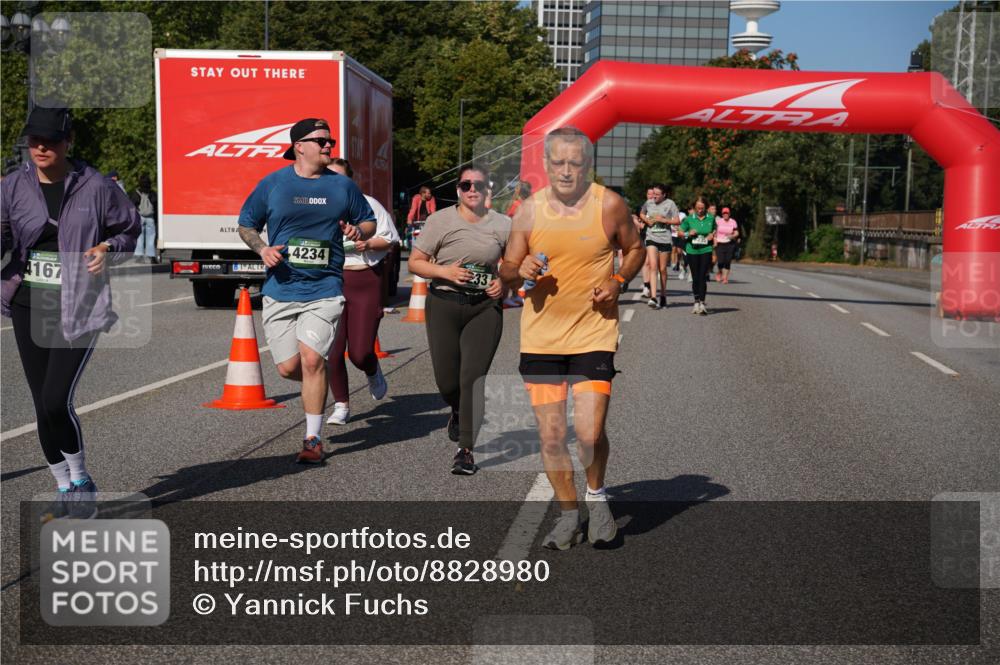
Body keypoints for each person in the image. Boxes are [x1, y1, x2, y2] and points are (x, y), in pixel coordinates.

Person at [500, 127, 644, 550]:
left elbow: (634, 248)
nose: (566, 171)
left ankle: (596, 496)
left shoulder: (609, 204)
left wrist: (618, 280)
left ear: (587, 165)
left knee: (588, 431)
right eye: (559, 162)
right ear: (546, 165)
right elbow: (506, 270)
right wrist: (520, 269)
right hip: (541, 339)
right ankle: (568, 516)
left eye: (575, 163)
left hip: (593, 333)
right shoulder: (527, 211)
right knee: (550, 437)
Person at [1, 107, 139, 520]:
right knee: (40, 405)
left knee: (56, 398)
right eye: (34, 140)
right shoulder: (13, 186)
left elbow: (128, 229)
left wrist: (106, 248)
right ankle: (64, 486)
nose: (41, 148)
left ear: (68, 142)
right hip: (29, 302)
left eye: (51, 141)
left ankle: (81, 480)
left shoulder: (96, 186)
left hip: (80, 305)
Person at [237, 118, 375, 463]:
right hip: (281, 288)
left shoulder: (342, 186)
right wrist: (262, 249)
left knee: (313, 359)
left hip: (325, 287)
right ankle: (318, 381)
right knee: (288, 368)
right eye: (322, 141)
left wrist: (359, 232)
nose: (329, 146)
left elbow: (368, 221)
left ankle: (312, 439)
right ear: (299, 146)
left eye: (330, 141)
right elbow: (246, 224)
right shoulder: (273, 184)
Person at [408, 164, 509, 475]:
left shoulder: (504, 225)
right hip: (444, 304)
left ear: (488, 190)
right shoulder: (441, 221)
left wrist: (504, 281)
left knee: (472, 379)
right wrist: (445, 271)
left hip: (484, 308)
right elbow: (415, 262)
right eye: (466, 185)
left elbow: (513, 264)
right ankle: (455, 409)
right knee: (448, 382)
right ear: (458, 191)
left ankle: (466, 449)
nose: (472, 189)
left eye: (479, 184)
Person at [325, 158, 400, 425]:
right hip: (331, 282)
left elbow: (390, 239)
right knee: (332, 352)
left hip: (365, 281)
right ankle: (342, 405)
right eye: (327, 176)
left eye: (339, 178)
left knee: (359, 352)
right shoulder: (317, 206)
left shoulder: (368, 204)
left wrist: (367, 243)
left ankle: (372, 369)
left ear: (350, 181)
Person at [639, 183, 679, 309]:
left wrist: (665, 220)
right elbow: (641, 213)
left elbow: (677, 221)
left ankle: (663, 294)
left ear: (664, 195)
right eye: (653, 193)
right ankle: (653, 297)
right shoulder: (649, 202)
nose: (654, 196)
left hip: (665, 239)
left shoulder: (670, 204)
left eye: (657, 194)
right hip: (651, 238)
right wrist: (647, 220)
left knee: (662, 269)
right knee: (653, 266)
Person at [680, 198, 717, 315]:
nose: (700, 210)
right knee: (695, 277)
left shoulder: (711, 218)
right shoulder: (689, 219)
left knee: (702, 276)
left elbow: (715, 229)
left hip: (706, 249)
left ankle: (702, 303)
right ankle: (696, 302)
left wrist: (712, 234)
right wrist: (688, 233)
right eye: (698, 208)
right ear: (694, 207)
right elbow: (680, 232)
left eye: (702, 208)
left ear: (706, 207)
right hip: (692, 250)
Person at [129, 174, 158, 263]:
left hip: (140, 217)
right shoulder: (152, 193)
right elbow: (156, 205)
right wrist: (156, 219)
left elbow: (132, 205)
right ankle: (151, 256)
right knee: (151, 237)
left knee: (139, 237)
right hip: (150, 217)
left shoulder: (136, 193)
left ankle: (139, 256)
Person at [714, 206, 740, 284]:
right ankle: (719, 272)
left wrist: (732, 236)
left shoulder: (733, 222)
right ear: (722, 214)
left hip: (729, 243)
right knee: (721, 261)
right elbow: (714, 232)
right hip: (720, 243)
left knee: (727, 261)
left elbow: (737, 232)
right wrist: (714, 240)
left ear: (729, 214)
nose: (725, 215)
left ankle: (725, 278)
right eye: (724, 213)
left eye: (727, 213)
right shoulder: (719, 221)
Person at [638, 186, 654, 298]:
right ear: (646, 195)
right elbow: (634, 217)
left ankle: (651, 285)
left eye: (654, 194)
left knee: (653, 263)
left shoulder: (660, 207)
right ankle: (646, 286)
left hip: (656, 237)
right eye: (649, 194)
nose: (651, 196)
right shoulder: (642, 207)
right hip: (644, 236)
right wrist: (639, 223)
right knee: (645, 262)